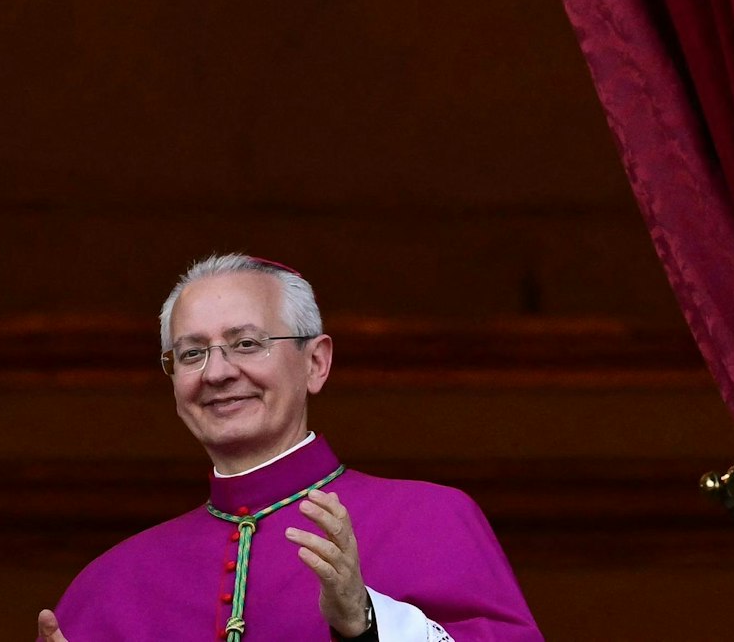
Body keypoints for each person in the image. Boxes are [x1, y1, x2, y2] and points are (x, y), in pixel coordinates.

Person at [39, 254, 541, 642]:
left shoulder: (431, 520)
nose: (216, 373)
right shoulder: (112, 583)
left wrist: (365, 621)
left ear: (315, 363)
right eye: (191, 353)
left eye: (247, 344)